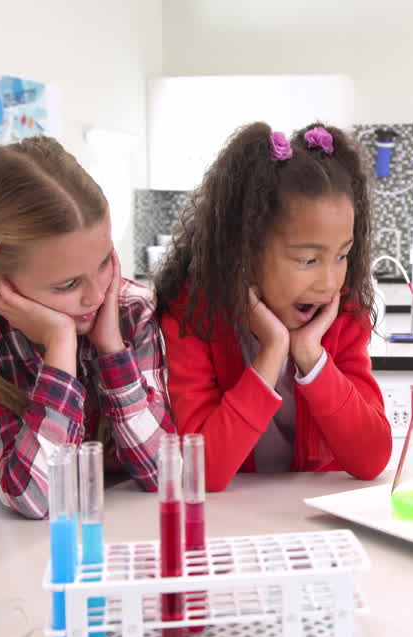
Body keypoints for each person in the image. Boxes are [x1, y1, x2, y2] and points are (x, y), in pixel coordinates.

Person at [0, 136, 173, 518]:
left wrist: (112, 349)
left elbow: (163, 471)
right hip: (9, 549)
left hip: (122, 528)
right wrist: (60, 346)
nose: (97, 294)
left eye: (104, 262)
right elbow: (36, 499)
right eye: (67, 285)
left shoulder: (130, 311)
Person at [156, 122, 391, 492]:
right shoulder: (193, 316)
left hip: (314, 520)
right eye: (307, 261)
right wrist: (273, 352)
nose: (330, 283)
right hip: (233, 523)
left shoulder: (343, 314)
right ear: (245, 252)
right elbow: (204, 473)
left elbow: (373, 458)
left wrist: (311, 357)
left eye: (342, 255)